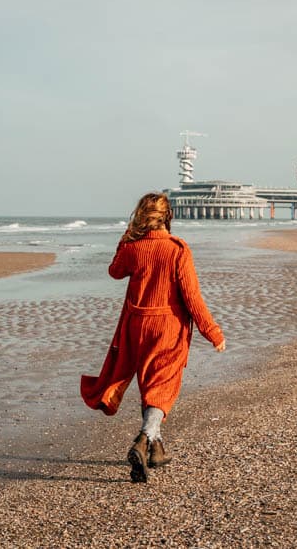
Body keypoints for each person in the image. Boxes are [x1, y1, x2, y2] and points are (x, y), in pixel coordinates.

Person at [81, 192, 226, 483]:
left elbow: (114, 271)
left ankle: (156, 450)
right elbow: (192, 297)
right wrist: (213, 332)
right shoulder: (177, 249)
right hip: (167, 327)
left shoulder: (134, 248)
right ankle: (143, 439)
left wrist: (126, 237)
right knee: (162, 386)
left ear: (141, 216)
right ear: (168, 216)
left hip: (137, 325)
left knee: (149, 385)